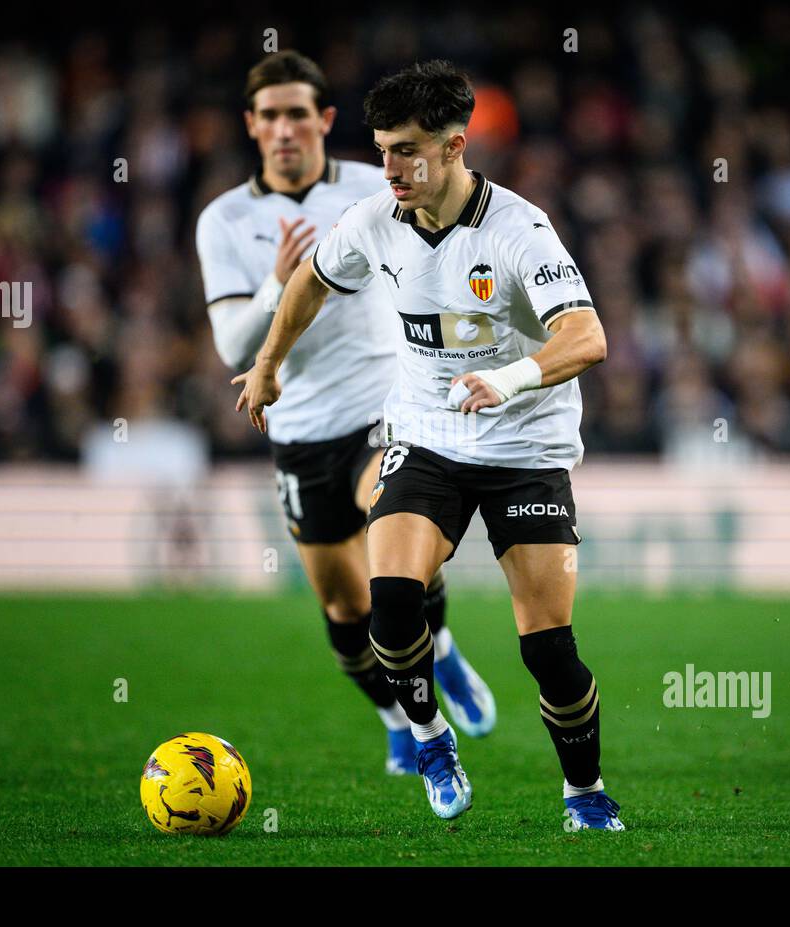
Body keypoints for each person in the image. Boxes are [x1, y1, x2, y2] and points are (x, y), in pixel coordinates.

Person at [233, 60, 622, 830]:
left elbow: (588, 337)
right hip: (428, 435)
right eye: (382, 150)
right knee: (393, 602)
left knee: (549, 651)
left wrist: (508, 379)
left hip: (525, 448)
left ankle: (584, 793)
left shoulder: (519, 230)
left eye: (407, 151)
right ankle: (430, 738)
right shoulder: (377, 221)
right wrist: (268, 365)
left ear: (454, 146)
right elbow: (311, 280)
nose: (390, 169)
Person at [196, 52, 496, 777]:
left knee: (399, 540)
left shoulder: (375, 185)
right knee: (343, 608)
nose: (284, 128)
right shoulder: (226, 220)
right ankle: (398, 717)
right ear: (252, 126)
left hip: (383, 409)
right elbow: (232, 343)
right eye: (269, 115)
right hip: (298, 431)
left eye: (298, 112)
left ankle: (442, 654)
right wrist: (278, 285)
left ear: (325, 120)